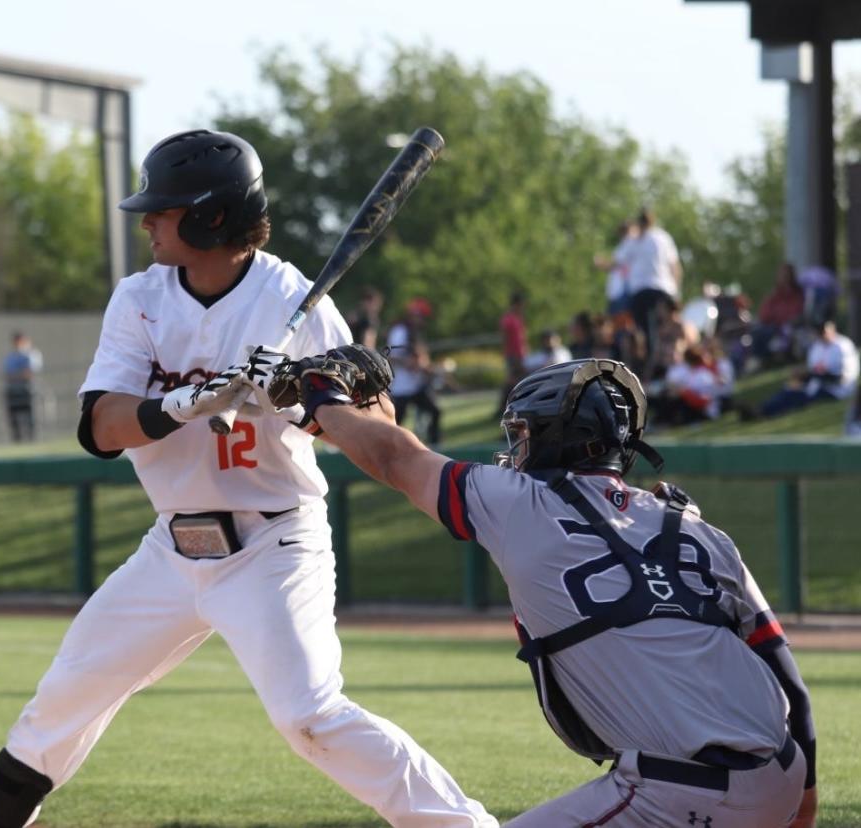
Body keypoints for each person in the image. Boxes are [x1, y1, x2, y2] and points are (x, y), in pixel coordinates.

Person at [0, 129, 497, 828]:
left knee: (308, 717)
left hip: (274, 548)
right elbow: (102, 425)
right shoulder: (139, 299)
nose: (150, 223)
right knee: (61, 701)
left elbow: (381, 428)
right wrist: (181, 404)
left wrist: (313, 400)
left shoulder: (292, 300)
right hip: (171, 550)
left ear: (210, 217)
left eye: (164, 210)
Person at [256, 353, 816, 828]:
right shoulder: (697, 529)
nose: (515, 450)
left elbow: (397, 460)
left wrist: (324, 399)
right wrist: (804, 798)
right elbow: (787, 678)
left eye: (522, 434)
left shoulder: (520, 502)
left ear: (558, 437)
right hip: (782, 773)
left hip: (681, 791)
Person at [757, 319, 860, 419]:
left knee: (797, 396)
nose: (822, 335)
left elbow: (844, 378)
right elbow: (814, 370)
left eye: (824, 332)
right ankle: (761, 410)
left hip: (837, 390)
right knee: (789, 389)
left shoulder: (843, 346)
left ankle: (765, 413)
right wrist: (804, 376)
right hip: (819, 384)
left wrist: (815, 376)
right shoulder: (817, 347)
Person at [626, 207, 682, 380]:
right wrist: (677, 290)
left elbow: (619, 262)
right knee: (656, 333)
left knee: (650, 334)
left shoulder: (638, 240)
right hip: (660, 290)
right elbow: (675, 266)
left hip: (647, 291)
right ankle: (657, 369)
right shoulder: (661, 237)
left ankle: (656, 370)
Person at [387, 297, 442, 444]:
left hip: (416, 386)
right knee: (396, 423)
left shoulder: (416, 333)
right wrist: (410, 365)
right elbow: (391, 357)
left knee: (435, 411)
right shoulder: (400, 331)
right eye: (421, 317)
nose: (423, 321)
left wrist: (428, 367)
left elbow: (421, 357)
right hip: (401, 387)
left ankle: (435, 446)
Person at [750, 263, 806, 367]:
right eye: (781, 275)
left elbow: (796, 313)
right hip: (773, 326)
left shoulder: (797, 295)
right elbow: (764, 315)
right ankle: (758, 360)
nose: (783, 278)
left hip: (788, 327)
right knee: (758, 331)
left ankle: (761, 361)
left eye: (786, 275)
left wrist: (782, 320)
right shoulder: (775, 295)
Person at [3, 331, 44, 442]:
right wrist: (19, 375)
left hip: (28, 389)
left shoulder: (32, 354)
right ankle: (17, 441)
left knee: (31, 418)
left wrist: (18, 375)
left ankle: (32, 440)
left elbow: (29, 373)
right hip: (13, 390)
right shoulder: (10, 357)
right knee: (13, 418)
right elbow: (7, 375)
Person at [594, 220, 637, 316]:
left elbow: (615, 265)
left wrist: (602, 263)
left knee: (622, 324)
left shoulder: (630, 243)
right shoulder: (625, 245)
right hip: (618, 293)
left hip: (623, 293)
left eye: (625, 230)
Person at [497, 290, 528, 415]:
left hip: (520, 355)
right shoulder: (508, 319)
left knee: (514, 380)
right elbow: (505, 339)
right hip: (513, 355)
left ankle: (505, 407)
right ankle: (504, 407)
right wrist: (511, 355)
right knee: (512, 381)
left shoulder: (519, 318)